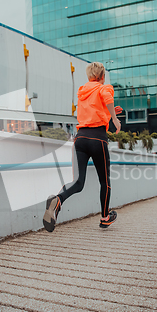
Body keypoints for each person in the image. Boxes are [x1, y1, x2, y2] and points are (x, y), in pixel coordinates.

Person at [43, 62, 122, 232]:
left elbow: (94, 111)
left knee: (78, 182)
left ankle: (58, 200)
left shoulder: (83, 91)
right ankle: (105, 217)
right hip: (98, 139)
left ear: (89, 76)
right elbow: (107, 97)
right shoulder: (104, 87)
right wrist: (114, 118)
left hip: (80, 139)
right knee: (105, 181)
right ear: (102, 76)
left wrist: (109, 112)